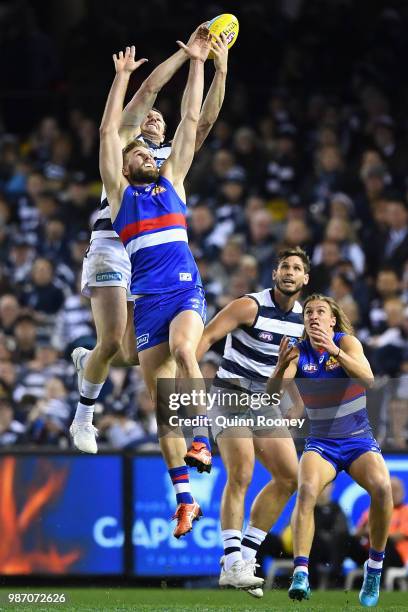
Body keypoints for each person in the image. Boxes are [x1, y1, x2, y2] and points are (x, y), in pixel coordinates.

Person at [70, 27, 229, 454]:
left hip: (157, 258)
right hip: (113, 241)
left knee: (127, 353)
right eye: (149, 116)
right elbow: (149, 89)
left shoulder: (173, 165)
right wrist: (187, 57)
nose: (155, 117)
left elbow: (202, 117)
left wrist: (217, 69)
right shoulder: (125, 150)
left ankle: (90, 364)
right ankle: (84, 417)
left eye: (160, 117)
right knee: (112, 340)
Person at [98, 33, 214, 538]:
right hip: (146, 302)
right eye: (138, 150)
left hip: (184, 291)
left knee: (189, 353)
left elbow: (191, 120)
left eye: (149, 150)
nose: (147, 152)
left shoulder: (173, 181)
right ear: (123, 165)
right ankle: (184, 500)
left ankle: (203, 437)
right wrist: (121, 81)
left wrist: (197, 64)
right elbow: (108, 132)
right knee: (162, 406)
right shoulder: (120, 197)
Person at [196, 247, 310, 593]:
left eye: (296, 268)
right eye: (284, 267)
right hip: (229, 395)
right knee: (242, 472)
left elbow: (282, 377)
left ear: (305, 279)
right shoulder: (249, 306)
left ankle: (244, 555)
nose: (289, 272)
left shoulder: (302, 320)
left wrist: (290, 389)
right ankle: (231, 563)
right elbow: (206, 337)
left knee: (290, 477)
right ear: (275, 275)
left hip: (263, 401)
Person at [268, 294, 393, 607]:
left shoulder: (347, 343)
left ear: (332, 319)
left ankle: (374, 569)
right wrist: (280, 367)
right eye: (308, 311)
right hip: (322, 442)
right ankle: (300, 573)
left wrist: (336, 351)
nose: (313, 316)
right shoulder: (298, 352)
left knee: (382, 488)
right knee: (307, 489)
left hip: (358, 439)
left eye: (320, 311)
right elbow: (271, 396)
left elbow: (367, 379)